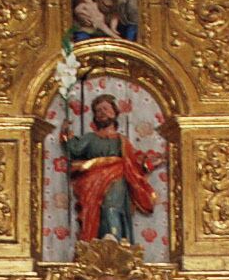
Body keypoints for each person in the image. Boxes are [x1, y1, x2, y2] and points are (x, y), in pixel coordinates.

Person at [60, 92, 157, 243]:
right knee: (93, 213)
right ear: (95, 117)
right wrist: (67, 135)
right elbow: (75, 150)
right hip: (92, 182)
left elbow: (134, 162)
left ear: (115, 112)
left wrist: (149, 162)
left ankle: (114, 239)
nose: (102, 113)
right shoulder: (90, 138)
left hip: (116, 176)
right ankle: (97, 241)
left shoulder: (122, 141)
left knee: (111, 207)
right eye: (98, 111)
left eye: (106, 108)